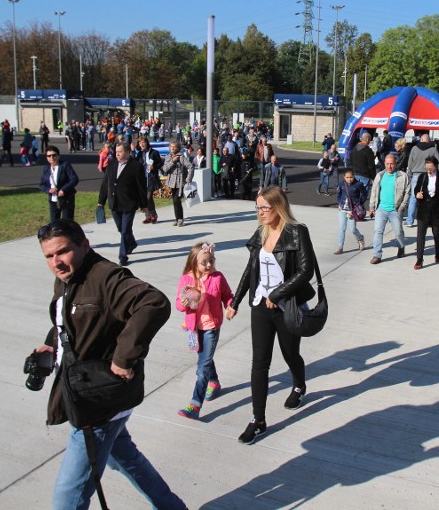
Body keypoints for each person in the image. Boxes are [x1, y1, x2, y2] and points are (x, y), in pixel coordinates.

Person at [33, 219, 187, 510]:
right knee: (127, 460)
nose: (56, 262)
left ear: (84, 245)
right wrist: (51, 344)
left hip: (99, 401)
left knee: (67, 499)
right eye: (49, 256)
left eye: (63, 252)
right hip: (86, 393)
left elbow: (153, 303)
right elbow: (68, 321)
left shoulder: (105, 277)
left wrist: (123, 357)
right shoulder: (67, 278)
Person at [225, 187, 315, 444]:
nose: (260, 212)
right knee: (259, 363)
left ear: (278, 206)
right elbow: (250, 269)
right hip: (260, 307)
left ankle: (299, 385)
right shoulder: (260, 233)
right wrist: (235, 300)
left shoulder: (297, 231)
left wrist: (277, 295)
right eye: (258, 207)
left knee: (290, 354)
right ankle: (258, 420)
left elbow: (305, 271)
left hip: (287, 306)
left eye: (265, 207)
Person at [174, 242, 234, 420]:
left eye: (211, 261)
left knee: (202, 367)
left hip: (211, 327)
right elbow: (178, 303)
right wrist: (183, 304)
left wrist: (231, 306)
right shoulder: (186, 279)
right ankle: (214, 382)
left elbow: (228, 295)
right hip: (193, 328)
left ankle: (195, 405)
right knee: (205, 359)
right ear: (193, 263)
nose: (209, 265)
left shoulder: (217, 277)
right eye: (204, 262)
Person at [98, 143, 147, 266]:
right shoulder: (111, 164)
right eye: (116, 152)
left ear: (127, 152)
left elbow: (141, 188)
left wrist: (144, 205)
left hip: (129, 203)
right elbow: (105, 184)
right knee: (121, 228)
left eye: (120, 151)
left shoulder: (136, 166)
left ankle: (123, 256)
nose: (117, 154)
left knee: (125, 230)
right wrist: (101, 202)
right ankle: (132, 243)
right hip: (114, 203)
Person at [369, 154, 410, 264]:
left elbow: (407, 192)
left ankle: (401, 247)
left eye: (392, 164)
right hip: (381, 209)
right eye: (387, 164)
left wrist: (402, 206)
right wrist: (372, 207)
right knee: (378, 231)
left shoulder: (403, 176)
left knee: (398, 232)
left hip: (395, 210)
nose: (389, 166)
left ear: (396, 164)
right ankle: (377, 255)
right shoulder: (380, 175)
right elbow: (374, 192)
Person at [413, 156, 439, 269]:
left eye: (431, 168)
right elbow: (416, 189)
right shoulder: (422, 177)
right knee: (420, 235)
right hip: (423, 209)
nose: (429, 171)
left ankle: (438, 252)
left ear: (436, 166)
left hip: (437, 210)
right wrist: (417, 195)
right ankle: (419, 259)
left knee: (436, 233)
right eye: (427, 168)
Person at [405, 132, 439, 228]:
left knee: (413, 198)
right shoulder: (433, 150)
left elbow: (410, 163)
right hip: (428, 175)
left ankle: (410, 221)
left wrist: (409, 175)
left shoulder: (414, 148)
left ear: (421, 139)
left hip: (416, 175)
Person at [39, 146, 79, 222]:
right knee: (54, 224)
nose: (52, 157)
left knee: (66, 223)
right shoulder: (46, 168)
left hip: (66, 199)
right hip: (53, 200)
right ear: (46, 157)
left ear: (58, 156)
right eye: (49, 156)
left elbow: (74, 179)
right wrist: (49, 190)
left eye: (54, 155)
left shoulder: (65, 165)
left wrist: (63, 189)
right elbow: (42, 185)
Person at [335, 169, 367, 255]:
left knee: (352, 228)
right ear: (344, 177)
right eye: (347, 177)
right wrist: (339, 203)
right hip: (342, 210)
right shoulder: (341, 184)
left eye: (351, 177)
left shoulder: (358, 184)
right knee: (342, 228)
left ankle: (360, 239)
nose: (349, 179)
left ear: (354, 176)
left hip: (352, 211)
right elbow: (338, 194)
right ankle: (340, 247)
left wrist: (359, 203)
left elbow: (364, 194)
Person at [162, 141, 194, 226]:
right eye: (171, 146)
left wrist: (188, 179)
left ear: (178, 148)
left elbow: (190, 166)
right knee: (174, 201)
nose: (172, 148)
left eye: (174, 147)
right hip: (172, 181)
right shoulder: (168, 157)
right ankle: (177, 218)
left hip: (180, 181)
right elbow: (165, 169)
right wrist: (173, 161)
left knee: (177, 200)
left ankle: (180, 218)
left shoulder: (181, 157)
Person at [135, 136, 163, 225]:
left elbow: (160, 163)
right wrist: (132, 151)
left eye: (143, 142)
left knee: (148, 197)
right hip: (142, 178)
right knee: (143, 198)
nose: (142, 144)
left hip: (151, 178)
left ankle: (154, 215)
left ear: (147, 143)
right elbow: (134, 163)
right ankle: (148, 216)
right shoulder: (139, 154)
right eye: (140, 143)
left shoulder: (154, 152)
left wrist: (153, 167)